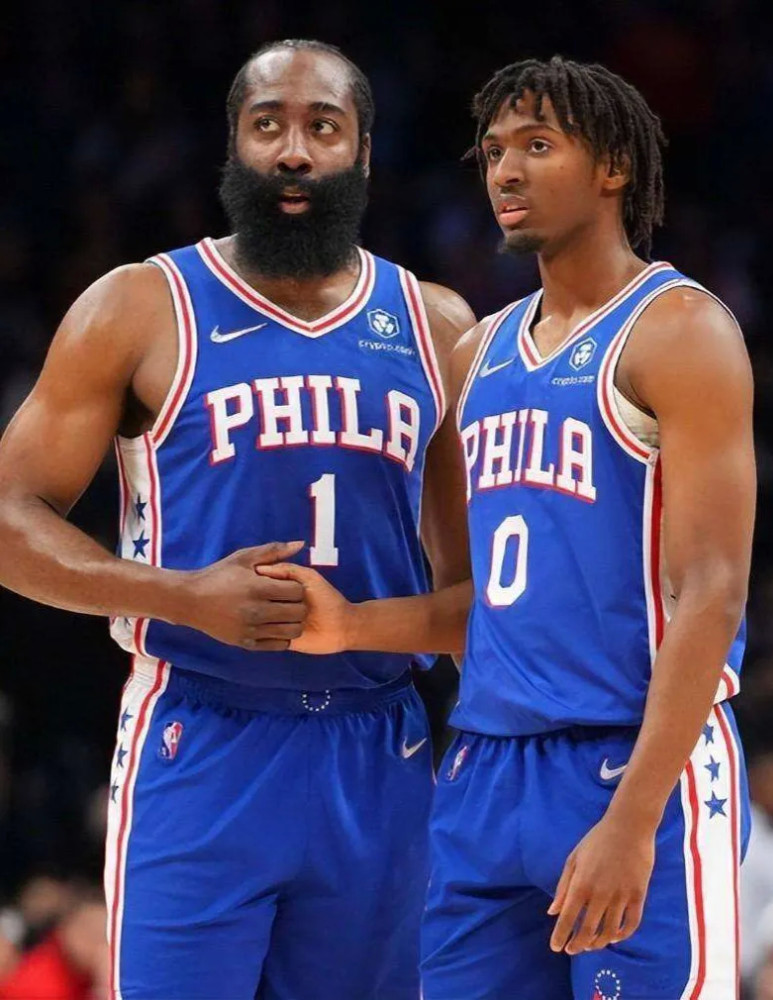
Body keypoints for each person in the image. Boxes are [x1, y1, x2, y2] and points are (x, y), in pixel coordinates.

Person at [260, 56, 756, 999]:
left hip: (629, 760)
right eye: (492, 152)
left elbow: (710, 593)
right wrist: (350, 626)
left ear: (613, 166)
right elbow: (487, 605)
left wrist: (631, 819)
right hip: (484, 770)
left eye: (537, 145)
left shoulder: (678, 332)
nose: (505, 171)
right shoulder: (475, 353)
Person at [0, 39, 474, 1000]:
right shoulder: (138, 308)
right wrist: (180, 596)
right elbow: (10, 516)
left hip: (378, 748)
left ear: (363, 153)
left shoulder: (437, 327)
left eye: (322, 127)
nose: (293, 150)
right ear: (234, 146)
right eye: (268, 125)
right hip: (199, 735)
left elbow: (473, 602)